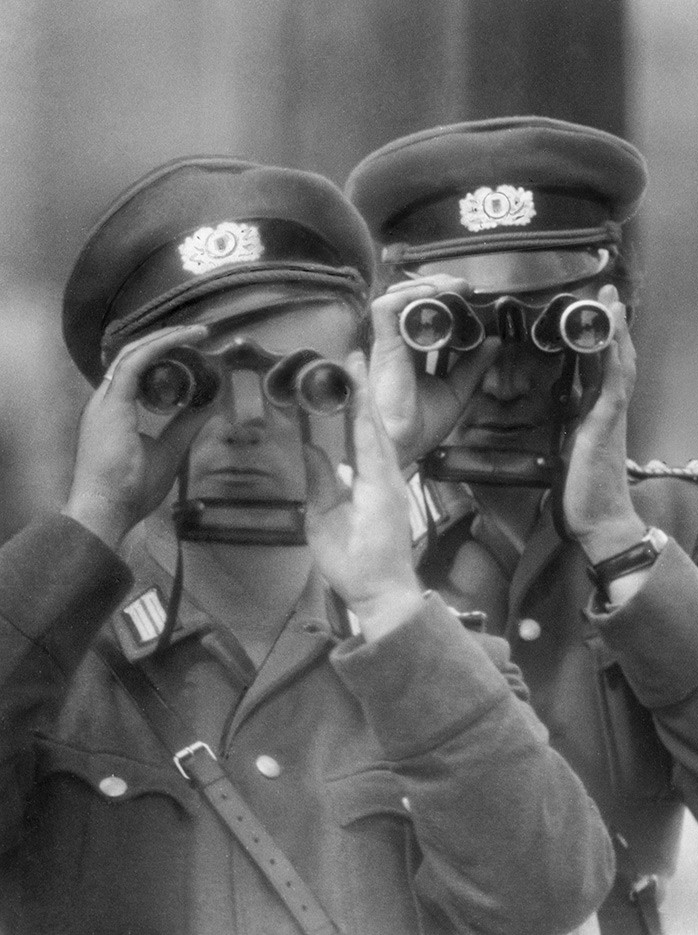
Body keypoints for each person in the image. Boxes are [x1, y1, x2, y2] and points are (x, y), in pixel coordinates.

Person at [0, 156, 613, 935]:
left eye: (304, 380)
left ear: (356, 387)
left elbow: (549, 896)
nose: (249, 417)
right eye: (194, 382)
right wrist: (91, 517)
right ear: (122, 402)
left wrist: (390, 603)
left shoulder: (433, 662)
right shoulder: (51, 663)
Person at [346, 117, 698, 935]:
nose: (509, 383)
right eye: (463, 336)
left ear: (608, 332)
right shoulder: (344, 540)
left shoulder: (672, 524)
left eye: (551, 335)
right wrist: (384, 461)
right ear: (397, 336)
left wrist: (613, 535)